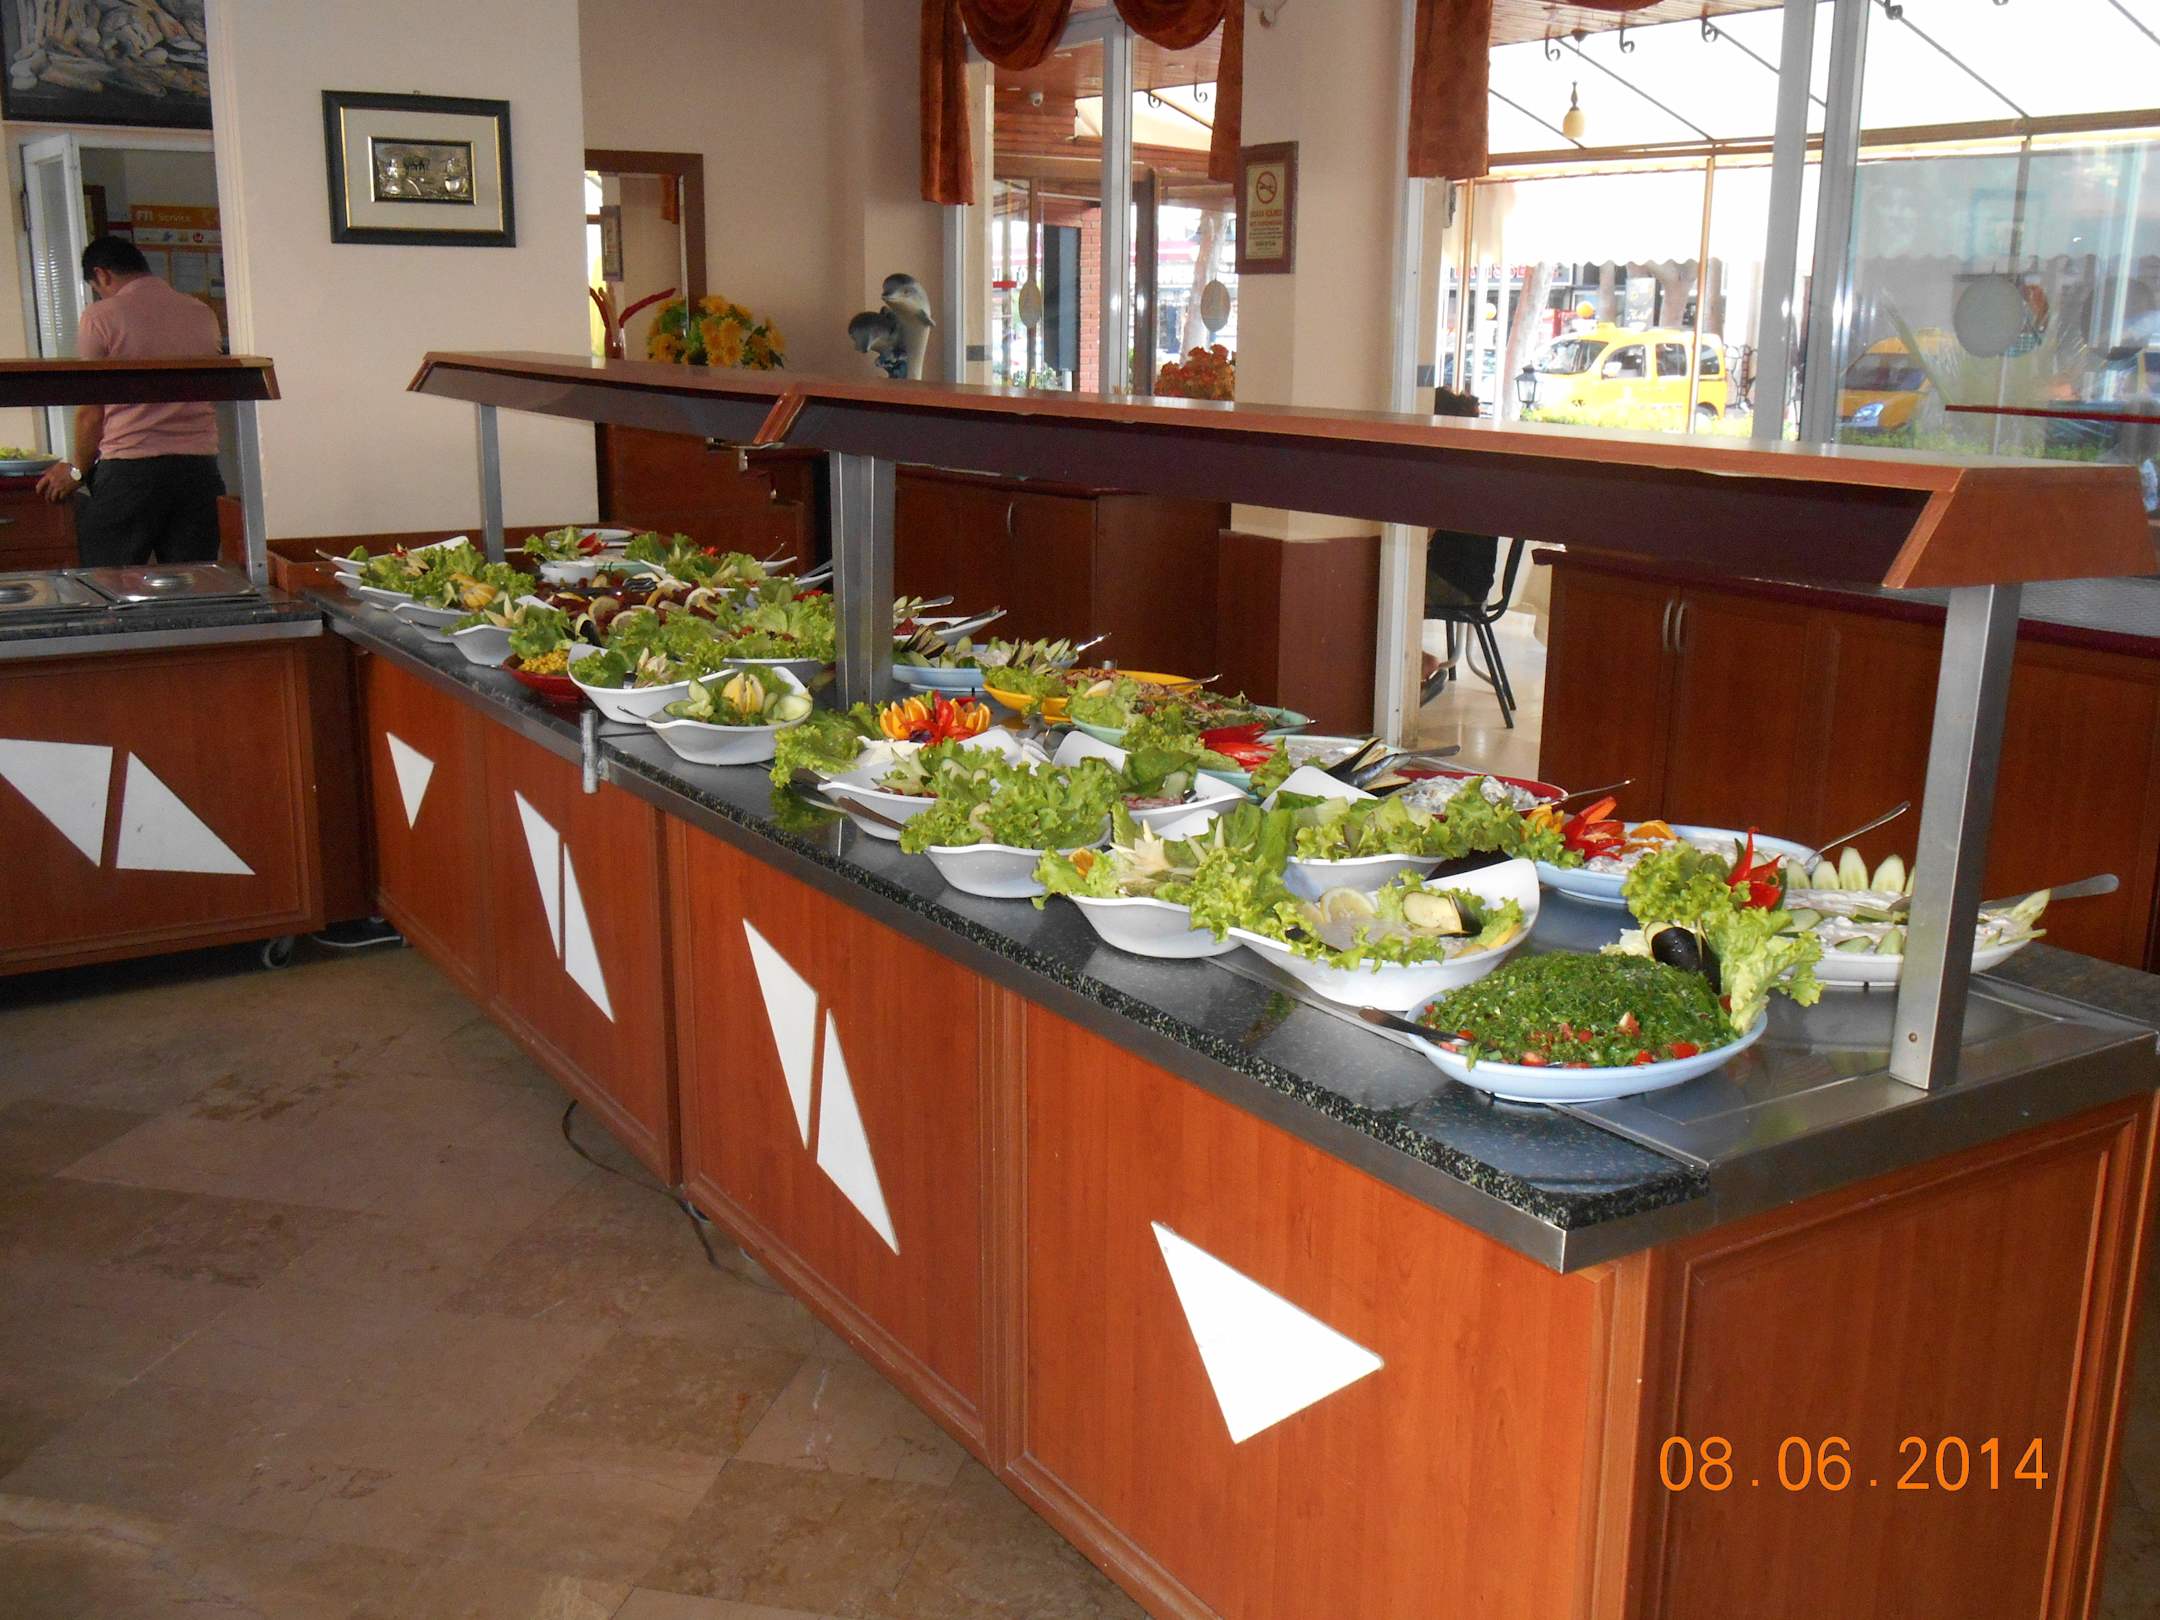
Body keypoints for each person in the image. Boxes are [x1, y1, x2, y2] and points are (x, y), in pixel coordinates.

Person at [37, 235, 226, 566]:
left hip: (131, 469)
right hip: (199, 470)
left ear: (102, 274)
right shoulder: (201, 312)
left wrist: (77, 471)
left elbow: (91, 411)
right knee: (195, 580)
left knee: (109, 581)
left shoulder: (101, 316)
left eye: (96, 287)